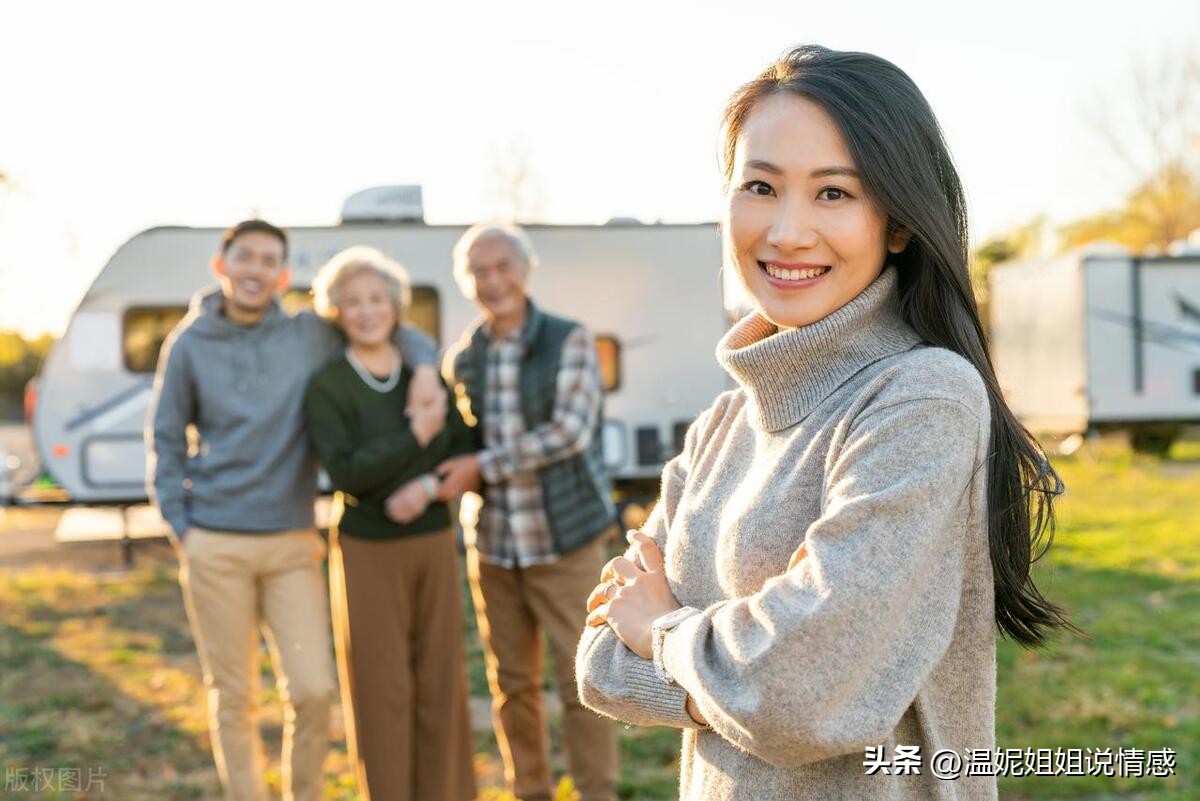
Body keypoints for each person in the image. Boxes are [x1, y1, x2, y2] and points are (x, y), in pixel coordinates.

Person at [576, 45, 1075, 801]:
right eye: (760, 186)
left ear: (900, 224)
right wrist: (737, 670)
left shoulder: (923, 398)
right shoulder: (721, 425)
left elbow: (798, 697)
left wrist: (668, 632)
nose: (786, 231)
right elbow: (599, 661)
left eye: (833, 194)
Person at [146, 220, 445, 801]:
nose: (255, 270)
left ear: (282, 276)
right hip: (214, 541)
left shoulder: (309, 334)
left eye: (268, 262)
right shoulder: (188, 343)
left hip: (290, 540)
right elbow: (163, 438)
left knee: (311, 690)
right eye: (245, 258)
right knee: (234, 694)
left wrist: (428, 364)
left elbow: (390, 325)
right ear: (222, 265)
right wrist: (180, 527)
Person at [436, 223, 619, 801]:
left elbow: (567, 432)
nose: (492, 282)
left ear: (524, 269)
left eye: (501, 267)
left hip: (564, 542)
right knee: (511, 685)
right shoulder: (463, 358)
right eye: (478, 272)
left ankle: (597, 792)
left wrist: (481, 468)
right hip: (493, 546)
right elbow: (460, 440)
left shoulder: (568, 340)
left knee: (581, 681)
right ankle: (529, 791)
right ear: (466, 283)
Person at [303, 247, 477, 801]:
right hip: (367, 548)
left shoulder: (424, 379)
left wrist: (424, 486)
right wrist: (414, 440)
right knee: (381, 687)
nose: (366, 310)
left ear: (396, 308)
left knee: (440, 680)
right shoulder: (328, 386)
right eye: (352, 301)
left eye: (377, 299)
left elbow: (458, 448)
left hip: (431, 541)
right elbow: (349, 473)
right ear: (335, 311)